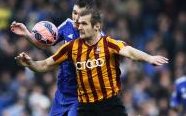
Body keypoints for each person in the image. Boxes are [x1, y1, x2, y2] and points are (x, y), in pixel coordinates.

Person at [15, 9, 169, 116]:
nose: (78, 25)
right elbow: (45, 63)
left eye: (83, 23)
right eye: (76, 17)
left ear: (96, 27)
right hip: (63, 94)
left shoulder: (106, 43)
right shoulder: (71, 47)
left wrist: (149, 58)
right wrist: (29, 61)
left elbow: (128, 51)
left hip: (89, 100)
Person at [11, 0, 97, 116]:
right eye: (74, 13)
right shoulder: (67, 25)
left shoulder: (97, 38)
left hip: (82, 96)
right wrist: (27, 34)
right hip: (61, 94)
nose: (75, 18)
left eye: (80, 15)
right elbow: (46, 43)